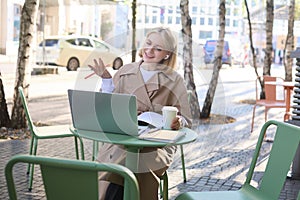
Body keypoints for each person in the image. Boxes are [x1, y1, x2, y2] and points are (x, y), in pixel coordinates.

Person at [88, 27, 192, 200]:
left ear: (167, 54)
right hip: (123, 139)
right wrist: (106, 79)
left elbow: (186, 118)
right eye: (148, 44)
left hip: (157, 145)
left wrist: (178, 121)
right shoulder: (125, 71)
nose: (150, 51)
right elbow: (109, 107)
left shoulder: (175, 80)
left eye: (158, 48)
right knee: (124, 159)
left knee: (128, 162)